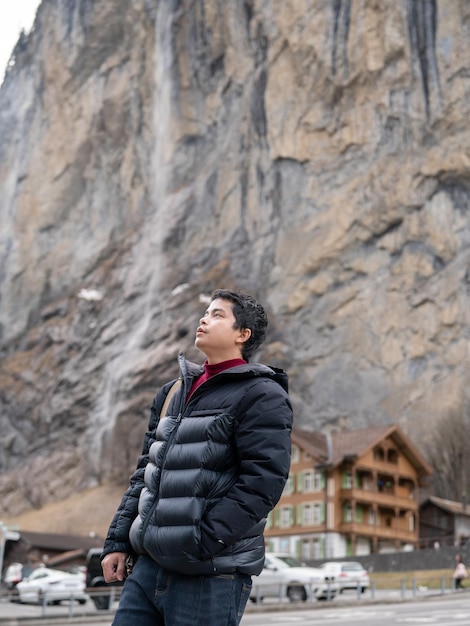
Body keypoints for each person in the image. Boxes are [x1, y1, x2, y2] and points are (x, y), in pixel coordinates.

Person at [101, 288, 293, 625]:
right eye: (206, 312)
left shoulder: (262, 394)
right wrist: (118, 541)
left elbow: (263, 483)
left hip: (208, 574)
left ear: (242, 335)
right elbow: (146, 472)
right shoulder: (172, 391)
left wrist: (203, 541)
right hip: (147, 568)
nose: (204, 319)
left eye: (218, 314)